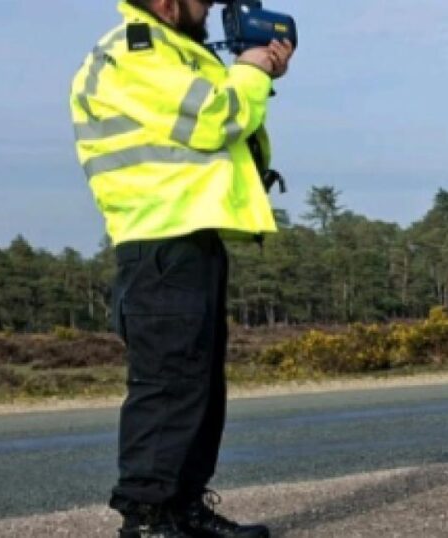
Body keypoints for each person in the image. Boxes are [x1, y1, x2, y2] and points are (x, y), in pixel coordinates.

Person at [68, 0, 293, 536]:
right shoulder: (134, 53)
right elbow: (218, 119)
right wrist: (254, 68)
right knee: (168, 384)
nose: (213, 7)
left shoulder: (176, 54)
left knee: (196, 385)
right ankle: (148, 519)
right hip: (159, 241)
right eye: (204, 0)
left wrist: (252, 69)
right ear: (168, 2)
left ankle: (182, 509)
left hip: (190, 238)